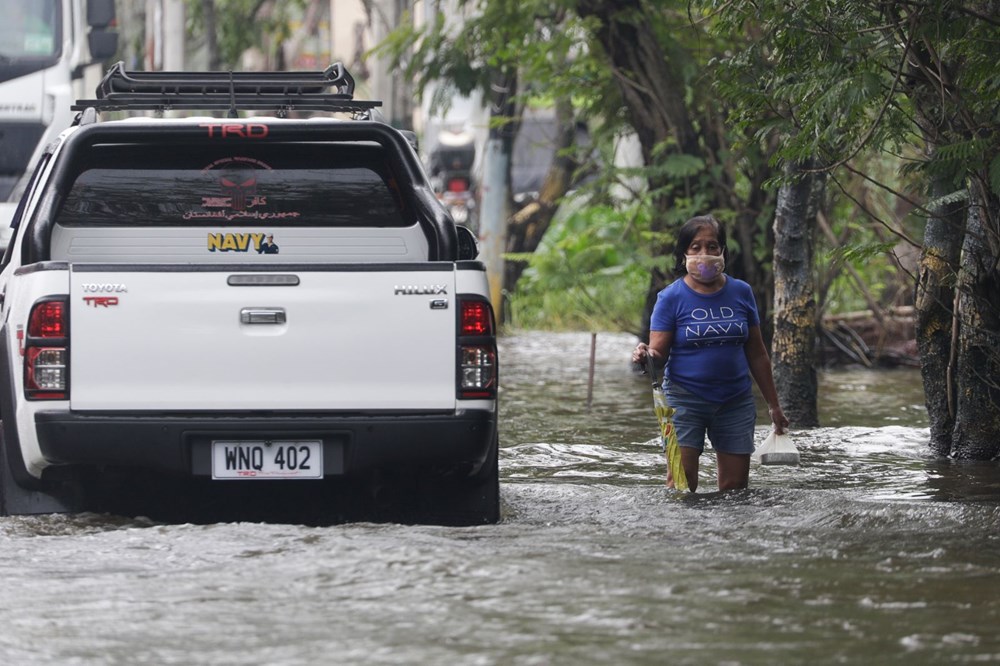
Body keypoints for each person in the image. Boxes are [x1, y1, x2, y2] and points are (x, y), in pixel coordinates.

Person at [632, 214, 788, 492]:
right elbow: (658, 355)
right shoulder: (670, 298)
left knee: (735, 490)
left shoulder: (742, 292)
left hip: (735, 402)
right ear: (683, 255)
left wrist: (774, 406)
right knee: (681, 485)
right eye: (696, 247)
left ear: (723, 252)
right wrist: (646, 356)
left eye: (713, 247)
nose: (705, 254)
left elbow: (757, 353)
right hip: (684, 400)